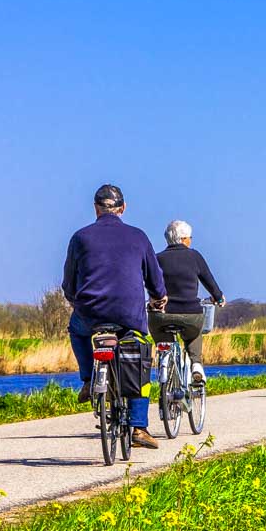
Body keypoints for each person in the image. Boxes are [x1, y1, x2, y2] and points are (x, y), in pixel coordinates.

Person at [62, 184, 167, 449]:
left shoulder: (80, 238)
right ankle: (139, 427)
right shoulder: (139, 237)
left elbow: (68, 283)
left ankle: (88, 379)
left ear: (96, 208)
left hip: (90, 311)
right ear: (123, 208)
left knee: (77, 330)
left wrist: (77, 300)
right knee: (141, 356)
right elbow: (155, 282)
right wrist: (158, 298)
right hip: (129, 314)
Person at [148, 220, 225, 382]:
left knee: (161, 336)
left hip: (162, 315)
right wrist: (218, 297)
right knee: (194, 334)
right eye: (190, 237)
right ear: (183, 239)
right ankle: (196, 364)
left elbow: (149, 282)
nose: (191, 240)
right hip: (190, 314)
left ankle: (167, 359)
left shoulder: (157, 259)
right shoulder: (194, 256)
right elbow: (209, 282)